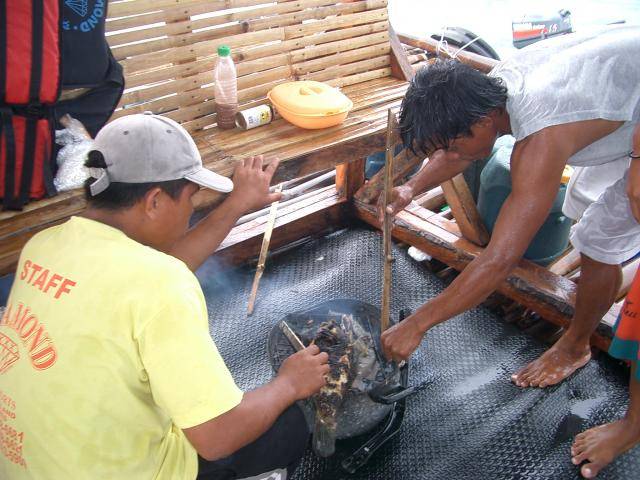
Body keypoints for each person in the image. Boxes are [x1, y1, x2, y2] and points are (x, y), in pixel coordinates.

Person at [0, 113, 329, 480]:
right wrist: (288, 383)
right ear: (154, 201)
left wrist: (236, 204)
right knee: (289, 424)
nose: (191, 210)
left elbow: (151, 274)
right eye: (191, 198)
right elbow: (217, 437)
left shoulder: (43, 246)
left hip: (25, 467)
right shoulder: (160, 285)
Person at [378, 25, 640, 478]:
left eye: (450, 144)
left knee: (598, 242)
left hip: (625, 110)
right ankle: (590, 307)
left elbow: (499, 259)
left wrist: (417, 324)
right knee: (587, 217)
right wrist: (411, 186)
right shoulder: (496, 86)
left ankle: (579, 350)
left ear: (483, 121)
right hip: (621, 102)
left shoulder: (538, 140)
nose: (449, 153)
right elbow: (463, 149)